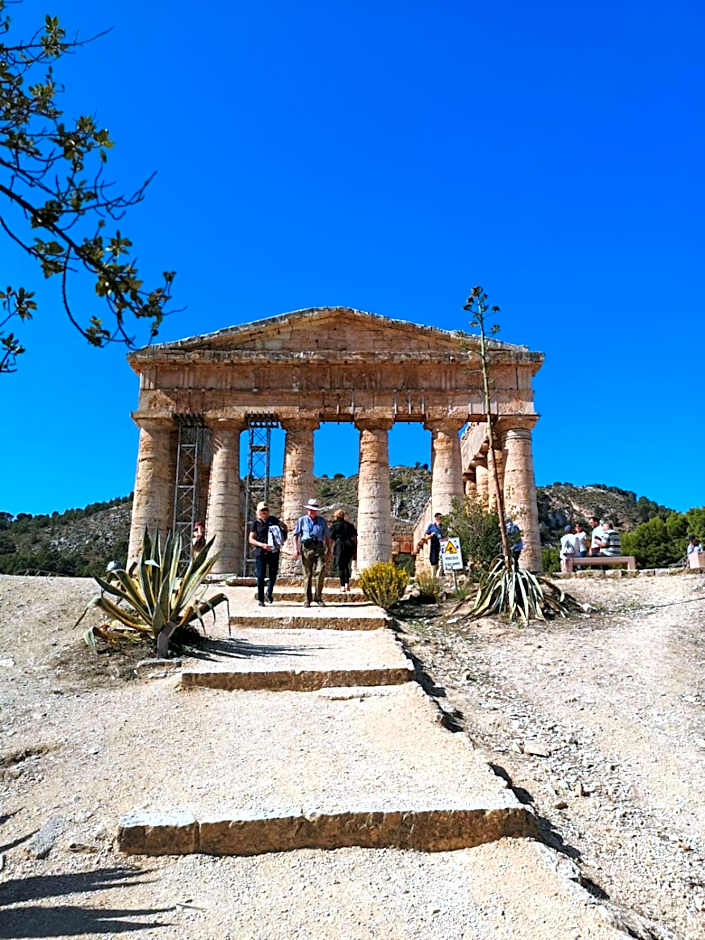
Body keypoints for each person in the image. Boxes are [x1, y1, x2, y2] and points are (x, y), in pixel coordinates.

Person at [293, 498, 332, 607]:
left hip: (319, 547)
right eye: (310, 509)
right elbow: (295, 536)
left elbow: (327, 536)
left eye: (314, 510)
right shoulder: (302, 520)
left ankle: (318, 597)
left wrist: (329, 550)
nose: (312, 511)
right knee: (307, 574)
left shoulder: (322, 521)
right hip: (306, 547)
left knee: (321, 571)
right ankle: (307, 599)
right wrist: (296, 549)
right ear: (307, 510)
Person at [248, 500, 287, 607]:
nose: (264, 511)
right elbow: (251, 539)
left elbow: (284, 526)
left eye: (266, 509)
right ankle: (261, 599)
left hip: (273, 551)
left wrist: (282, 538)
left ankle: (269, 593)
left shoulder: (273, 520)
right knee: (260, 576)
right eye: (262, 510)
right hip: (261, 552)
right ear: (258, 511)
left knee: (273, 574)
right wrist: (261, 545)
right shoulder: (255, 524)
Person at [329, 509, 357, 593]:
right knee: (346, 565)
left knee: (340, 565)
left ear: (336, 516)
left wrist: (329, 549)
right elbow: (355, 538)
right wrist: (355, 549)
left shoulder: (334, 526)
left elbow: (331, 538)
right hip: (349, 545)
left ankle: (342, 585)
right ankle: (347, 584)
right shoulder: (350, 525)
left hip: (340, 545)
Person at [424, 513, 444, 577]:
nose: (440, 519)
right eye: (439, 518)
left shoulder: (443, 527)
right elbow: (426, 537)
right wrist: (431, 535)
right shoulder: (431, 526)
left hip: (442, 546)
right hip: (434, 546)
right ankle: (433, 578)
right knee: (433, 561)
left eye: (441, 518)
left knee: (442, 561)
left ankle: (438, 576)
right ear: (436, 518)